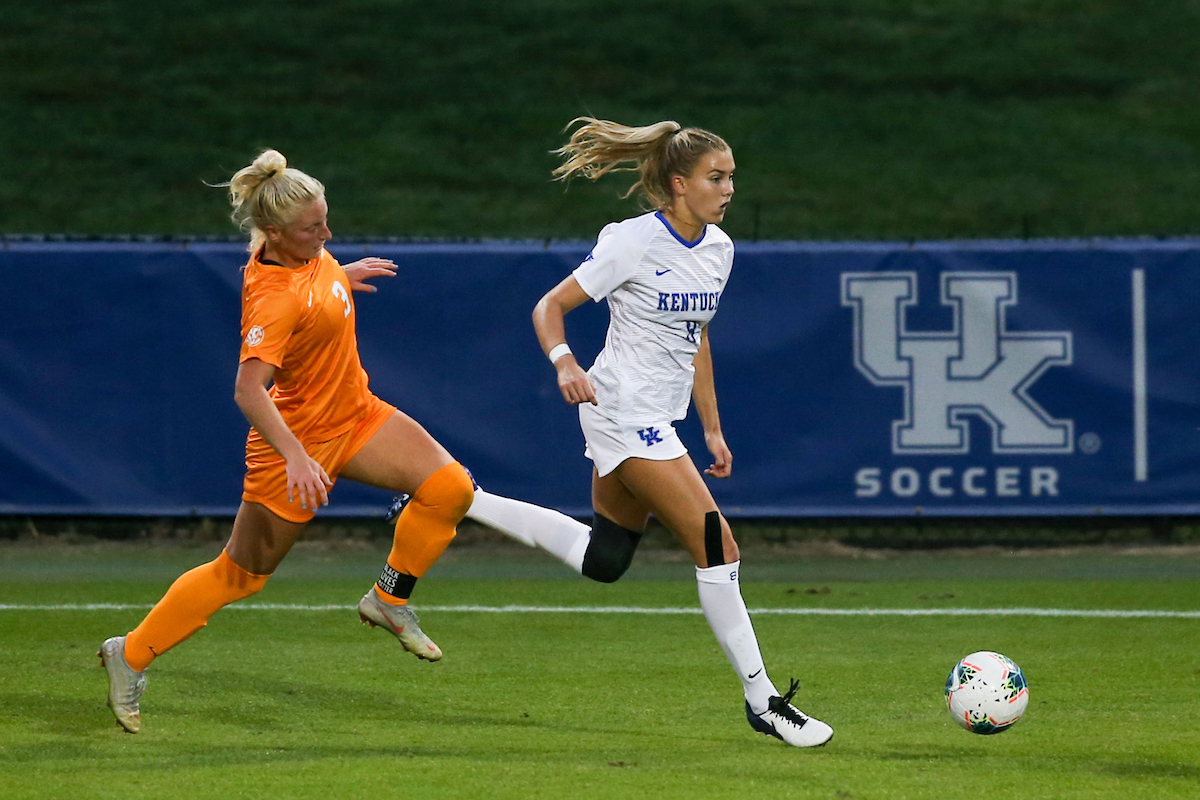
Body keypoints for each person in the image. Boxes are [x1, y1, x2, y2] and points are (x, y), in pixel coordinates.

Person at [448, 118, 834, 747]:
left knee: (606, 559)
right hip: (620, 411)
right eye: (717, 176)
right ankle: (762, 701)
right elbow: (549, 307)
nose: (729, 187)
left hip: (659, 419)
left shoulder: (719, 249)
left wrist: (711, 427)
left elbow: (697, 335)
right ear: (679, 184)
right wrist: (564, 361)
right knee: (719, 547)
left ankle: (460, 497)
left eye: (732, 175)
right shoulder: (632, 242)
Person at [98, 149, 476, 734]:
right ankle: (131, 653)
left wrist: (337, 278)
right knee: (241, 575)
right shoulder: (273, 295)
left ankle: (388, 599)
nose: (326, 233)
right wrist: (295, 456)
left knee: (449, 488)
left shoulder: (306, 254)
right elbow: (249, 390)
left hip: (356, 415)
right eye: (312, 228)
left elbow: (312, 278)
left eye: (325, 220)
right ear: (273, 233)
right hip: (295, 441)